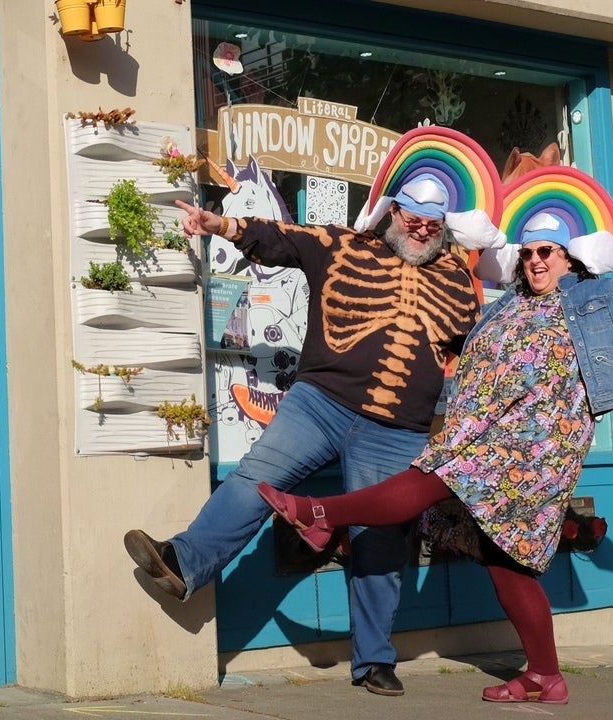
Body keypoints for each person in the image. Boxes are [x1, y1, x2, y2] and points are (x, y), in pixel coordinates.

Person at [257, 210, 613, 705]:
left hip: (535, 450)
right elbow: (450, 350)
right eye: (529, 252)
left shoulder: (599, 301)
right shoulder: (503, 308)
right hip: (484, 435)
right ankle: (544, 676)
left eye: (549, 252)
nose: (536, 261)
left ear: (571, 259)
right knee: (504, 560)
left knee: (430, 478)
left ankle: (321, 515)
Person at [124, 172, 505, 697]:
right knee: (255, 478)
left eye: (431, 222)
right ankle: (184, 563)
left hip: (398, 431)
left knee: (382, 540)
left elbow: (471, 352)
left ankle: (374, 659)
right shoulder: (342, 245)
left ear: (444, 227)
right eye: (411, 215)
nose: (419, 228)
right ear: (392, 212)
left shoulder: (459, 282)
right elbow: (283, 237)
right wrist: (220, 224)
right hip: (320, 404)